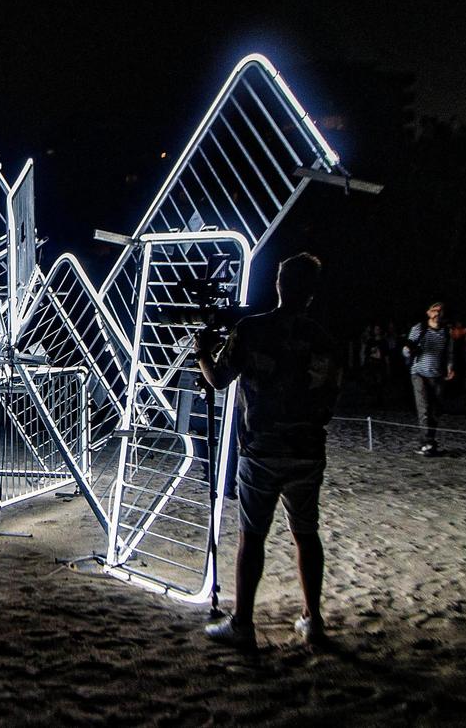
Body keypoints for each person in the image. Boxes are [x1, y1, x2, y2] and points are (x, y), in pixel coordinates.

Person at [196, 253, 339, 648]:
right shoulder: (323, 339)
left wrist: (203, 352)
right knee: (306, 534)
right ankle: (312, 618)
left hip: (260, 450)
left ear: (279, 284)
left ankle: (243, 622)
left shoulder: (252, 330)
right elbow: (330, 397)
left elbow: (219, 379)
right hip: (307, 450)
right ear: (310, 293)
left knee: (252, 537)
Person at [403, 302, 454, 456]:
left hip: (437, 374)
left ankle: (428, 440)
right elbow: (406, 349)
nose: (437, 313)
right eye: (434, 310)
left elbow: (450, 352)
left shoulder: (446, 331)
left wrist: (450, 368)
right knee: (423, 408)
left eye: (440, 310)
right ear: (428, 312)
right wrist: (409, 350)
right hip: (418, 372)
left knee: (435, 411)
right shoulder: (419, 328)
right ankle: (427, 443)